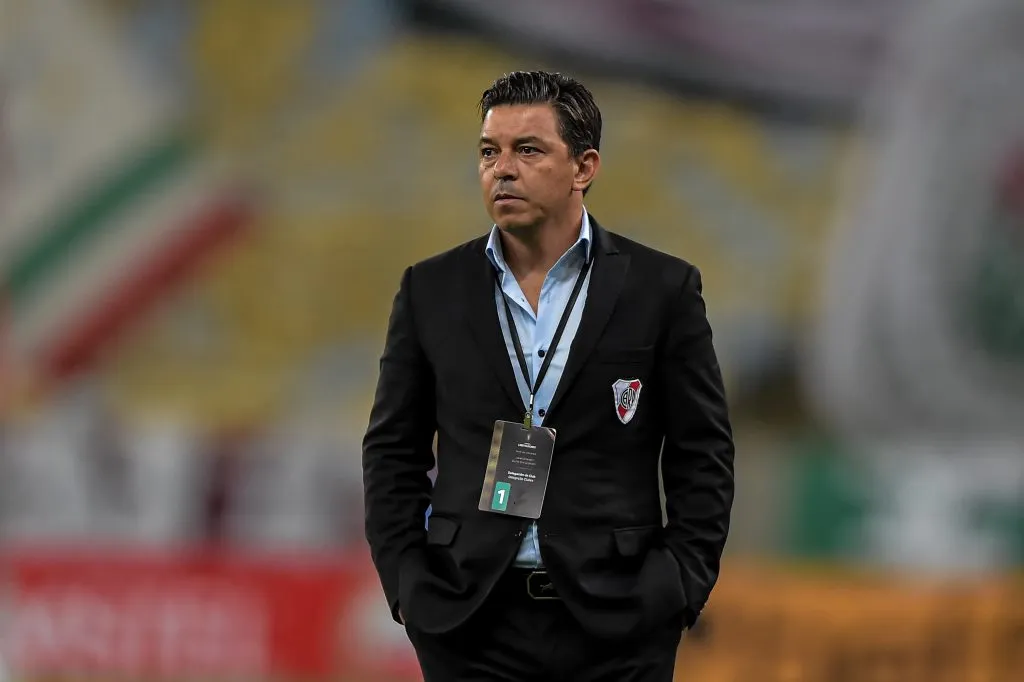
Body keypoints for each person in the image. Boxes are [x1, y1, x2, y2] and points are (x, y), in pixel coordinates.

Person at [362, 70, 735, 682]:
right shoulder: (430, 289)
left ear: (584, 167)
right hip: (469, 621)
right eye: (489, 152)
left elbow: (703, 454)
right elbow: (391, 451)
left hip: (618, 623)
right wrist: (409, 583)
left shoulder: (661, 290)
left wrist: (678, 585)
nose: (502, 169)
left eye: (527, 150)